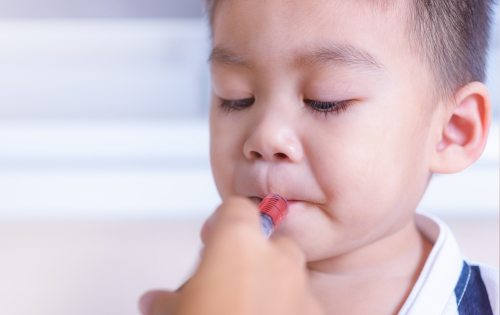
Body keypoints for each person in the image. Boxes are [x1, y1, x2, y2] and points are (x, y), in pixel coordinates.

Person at [140, 0, 499, 314]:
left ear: (452, 129)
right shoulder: (206, 300)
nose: (265, 136)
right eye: (236, 98)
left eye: (325, 101)